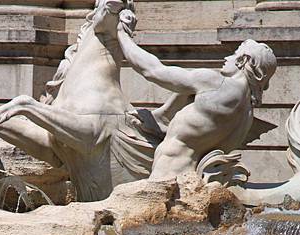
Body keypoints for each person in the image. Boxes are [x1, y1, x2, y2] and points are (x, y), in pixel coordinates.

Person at [117, 15, 277, 181]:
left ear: (243, 60)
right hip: (192, 181)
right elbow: (197, 136)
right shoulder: (247, 115)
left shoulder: (216, 83)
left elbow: (152, 70)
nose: (226, 58)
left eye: (233, 54)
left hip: (167, 180)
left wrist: (122, 33)